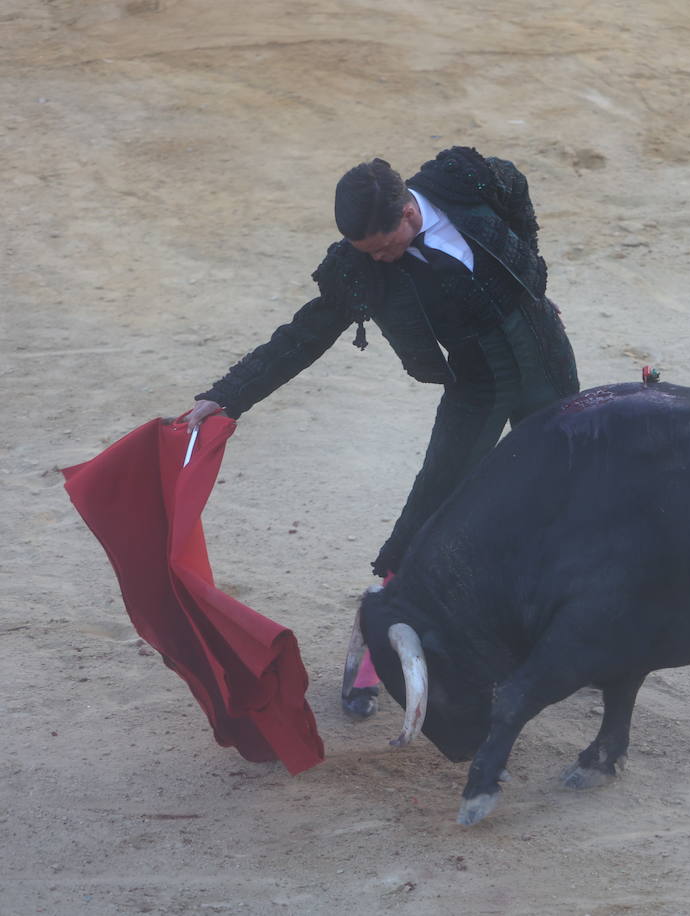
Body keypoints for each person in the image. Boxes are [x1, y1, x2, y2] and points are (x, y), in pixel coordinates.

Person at [182, 146, 579, 718]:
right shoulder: (357, 265)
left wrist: (529, 273)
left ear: (410, 213)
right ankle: (372, 647)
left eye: (387, 246)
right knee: (431, 507)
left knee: (559, 501)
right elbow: (305, 334)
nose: (384, 259)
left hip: (544, 359)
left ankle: (563, 636)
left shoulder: (465, 181)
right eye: (371, 252)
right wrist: (226, 396)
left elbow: (515, 192)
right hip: (478, 381)